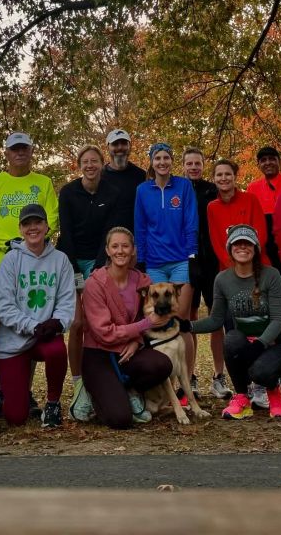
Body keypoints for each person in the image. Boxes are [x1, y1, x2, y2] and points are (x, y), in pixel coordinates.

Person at [181, 225, 281, 421]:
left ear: (255, 248)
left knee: (260, 372)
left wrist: (260, 343)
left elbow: (278, 319)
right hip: (245, 343)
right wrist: (188, 326)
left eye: (247, 243)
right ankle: (242, 397)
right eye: (237, 243)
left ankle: (274, 392)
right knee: (231, 339)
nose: (242, 247)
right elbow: (216, 320)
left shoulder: (271, 275)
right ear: (230, 249)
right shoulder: (222, 279)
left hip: (275, 345)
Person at [80, 227, 174, 429]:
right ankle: (95, 395)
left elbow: (146, 314)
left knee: (163, 364)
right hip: (99, 354)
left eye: (125, 246)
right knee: (120, 419)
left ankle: (128, 390)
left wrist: (136, 340)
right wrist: (143, 326)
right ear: (107, 250)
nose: (120, 251)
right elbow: (104, 333)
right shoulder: (94, 284)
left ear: (133, 250)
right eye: (115, 246)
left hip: (128, 352)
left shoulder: (143, 282)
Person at [0, 204, 76, 428]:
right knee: (15, 417)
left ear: (46, 226)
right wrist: (33, 326)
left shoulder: (60, 260)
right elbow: (4, 308)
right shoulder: (10, 260)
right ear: (20, 229)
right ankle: (10, 396)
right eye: (27, 224)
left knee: (58, 350)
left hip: (46, 335)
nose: (33, 228)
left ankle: (52, 404)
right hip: (14, 339)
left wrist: (57, 322)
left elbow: (67, 302)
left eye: (37, 222)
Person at [57, 144, 120, 396]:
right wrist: (73, 267)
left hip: (100, 260)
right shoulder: (68, 192)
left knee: (101, 322)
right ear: (79, 165)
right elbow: (67, 232)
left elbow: (109, 232)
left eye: (95, 161)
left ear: (101, 164)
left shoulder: (111, 193)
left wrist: (97, 266)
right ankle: (77, 381)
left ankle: (104, 376)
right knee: (77, 322)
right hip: (71, 259)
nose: (90, 165)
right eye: (86, 161)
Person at [205, 157, 267, 402]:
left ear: (235, 176)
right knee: (234, 332)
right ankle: (242, 385)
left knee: (257, 327)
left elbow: (260, 232)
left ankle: (261, 383)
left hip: (256, 273)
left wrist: (249, 266)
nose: (223, 179)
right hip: (230, 276)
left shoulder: (250, 200)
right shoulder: (212, 207)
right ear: (214, 178)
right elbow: (217, 243)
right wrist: (235, 267)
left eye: (227, 174)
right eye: (219, 175)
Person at [134, 142, 198, 380]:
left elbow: (191, 222)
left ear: (172, 161)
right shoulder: (142, 190)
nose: (162, 162)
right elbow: (140, 227)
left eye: (166, 158)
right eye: (157, 158)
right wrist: (140, 260)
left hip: (181, 260)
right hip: (154, 263)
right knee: (158, 319)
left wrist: (192, 255)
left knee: (180, 319)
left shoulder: (183, 186)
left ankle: (188, 379)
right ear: (151, 162)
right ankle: (165, 376)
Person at [0, 132, 59, 269]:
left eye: (24, 148)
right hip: (1, 261)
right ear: (6, 153)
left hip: (37, 259)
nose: (20, 153)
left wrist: (32, 242)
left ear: (31, 151)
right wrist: (10, 243)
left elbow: (52, 217)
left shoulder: (44, 182)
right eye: (15, 149)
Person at [181, 147, 220, 400]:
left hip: (213, 261)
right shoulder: (178, 189)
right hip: (188, 261)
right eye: (189, 163)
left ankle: (219, 376)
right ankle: (190, 377)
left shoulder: (212, 189)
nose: (194, 167)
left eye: (198, 163)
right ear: (183, 166)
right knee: (189, 318)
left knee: (217, 317)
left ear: (203, 165)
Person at [247, 146, 281, 269]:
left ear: (279, 161)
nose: (268, 162)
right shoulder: (252, 188)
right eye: (263, 160)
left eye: (271, 159)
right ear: (258, 164)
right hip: (266, 249)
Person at [99, 129, 147, 233]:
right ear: (108, 147)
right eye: (115, 144)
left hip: (135, 240)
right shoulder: (99, 177)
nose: (120, 147)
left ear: (130, 146)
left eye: (124, 143)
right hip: (106, 242)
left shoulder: (142, 176)